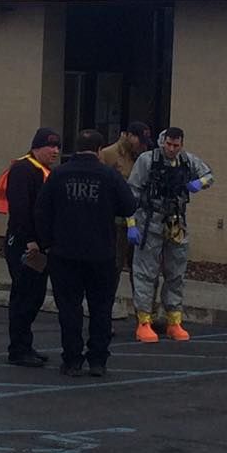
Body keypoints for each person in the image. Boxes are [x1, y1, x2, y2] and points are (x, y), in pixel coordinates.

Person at [35, 129, 137, 377]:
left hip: (64, 253)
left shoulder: (59, 174)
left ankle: (72, 360)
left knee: (69, 309)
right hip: (101, 253)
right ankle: (98, 360)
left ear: (76, 147)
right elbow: (129, 206)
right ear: (99, 150)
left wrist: (47, 243)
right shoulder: (109, 175)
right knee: (101, 308)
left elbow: (41, 211)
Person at [127, 126, 213, 343]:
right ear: (162, 142)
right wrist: (131, 224)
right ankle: (144, 321)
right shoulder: (148, 160)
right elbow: (132, 192)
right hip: (150, 222)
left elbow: (209, 175)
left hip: (176, 223)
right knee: (146, 273)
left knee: (176, 273)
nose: (172, 149)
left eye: (176, 145)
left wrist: (199, 183)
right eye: (169, 144)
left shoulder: (187, 161)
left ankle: (174, 320)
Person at [4, 127, 61, 367]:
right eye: (51, 146)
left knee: (35, 295)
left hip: (40, 246)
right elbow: (19, 208)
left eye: (58, 147)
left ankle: (25, 344)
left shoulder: (46, 172)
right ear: (37, 147)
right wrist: (29, 239)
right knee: (24, 295)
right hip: (24, 245)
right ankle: (18, 349)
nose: (55, 151)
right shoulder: (22, 169)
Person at [99, 121, 154, 317]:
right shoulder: (109, 154)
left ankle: (144, 317)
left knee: (140, 271)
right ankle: (104, 316)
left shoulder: (143, 157)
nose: (143, 145)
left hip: (139, 222)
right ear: (130, 136)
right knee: (112, 269)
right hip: (116, 223)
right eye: (140, 140)